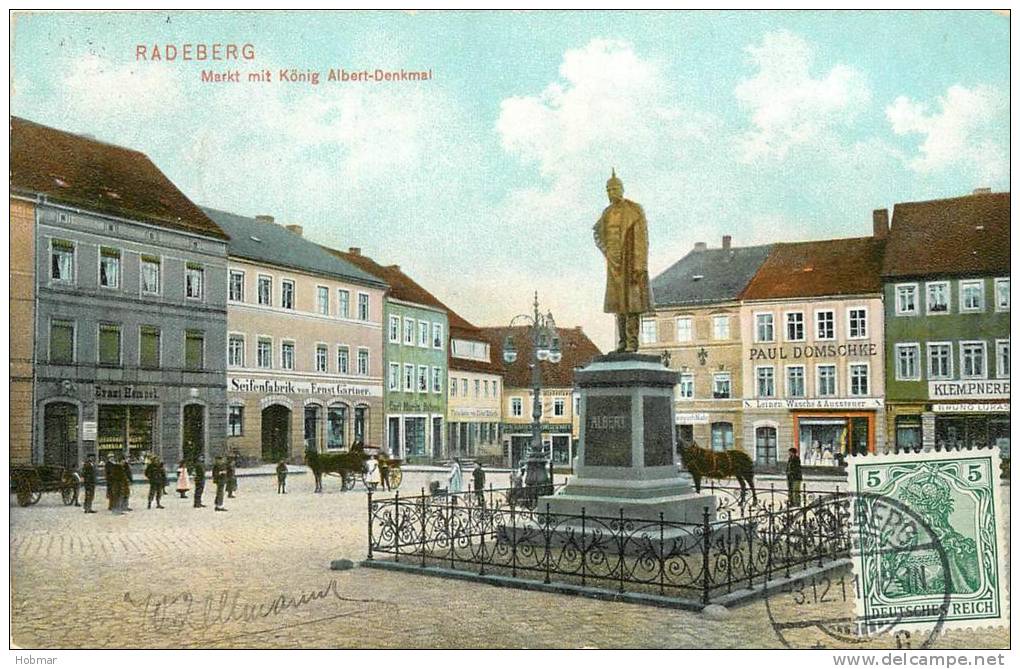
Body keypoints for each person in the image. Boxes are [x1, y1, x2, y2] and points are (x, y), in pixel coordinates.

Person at [593, 169, 652, 352]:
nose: (611, 192)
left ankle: (632, 343)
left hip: (630, 263)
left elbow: (642, 240)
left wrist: (639, 266)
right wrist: (608, 252)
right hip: (614, 265)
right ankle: (622, 342)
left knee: (632, 304)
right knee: (619, 305)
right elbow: (597, 233)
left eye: (615, 188)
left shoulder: (634, 210)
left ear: (622, 189)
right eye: (608, 190)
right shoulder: (607, 213)